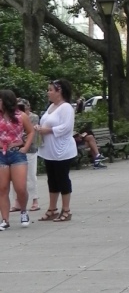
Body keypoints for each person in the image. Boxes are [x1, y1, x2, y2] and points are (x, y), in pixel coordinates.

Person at [36, 79, 77, 222]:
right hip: (49, 149)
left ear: (59, 91)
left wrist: (48, 130)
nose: (48, 93)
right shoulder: (51, 107)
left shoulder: (66, 108)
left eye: (50, 90)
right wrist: (39, 128)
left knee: (62, 178)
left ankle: (66, 209)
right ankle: (52, 208)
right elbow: (44, 122)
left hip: (62, 150)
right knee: (52, 179)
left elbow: (66, 127)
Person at [0, 89, 35, 230]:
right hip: (1, 154)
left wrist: (25, 147)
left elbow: (31, 131)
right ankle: (5, 219)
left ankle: (23, 211)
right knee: (2, 188)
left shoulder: (21, 116)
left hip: (17, 154)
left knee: (20, 188)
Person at [10, 99, 40, 213]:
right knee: (15, 177)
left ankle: (34, 200)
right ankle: (17, 202)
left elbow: (28, 132)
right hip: (16, 149)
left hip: (30, 149)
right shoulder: (12, 116)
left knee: (31, 176)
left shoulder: (32, 117)